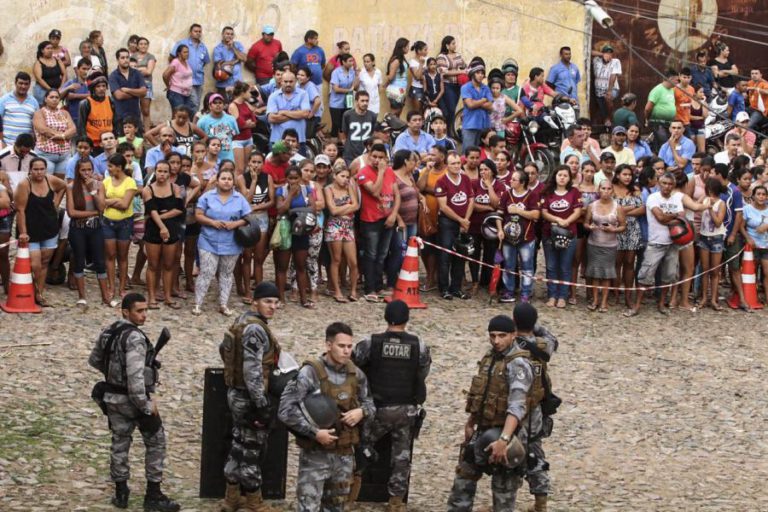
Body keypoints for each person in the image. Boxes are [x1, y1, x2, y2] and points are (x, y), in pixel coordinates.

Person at [446, 306, 557, 512]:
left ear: (513, 334)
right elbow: (482, 392)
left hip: (508, 435)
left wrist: (504, 440)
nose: (496, 341)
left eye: (502, 336)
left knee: (504, 491)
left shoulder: (519, 364)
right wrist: (471, 422)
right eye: (493, 336)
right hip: (483, 429)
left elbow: (517, 406)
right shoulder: (491, 358)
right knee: (463, 479)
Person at [88, 293, 180, 512]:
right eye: (139, 311)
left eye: (146, 310)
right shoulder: (135, 338)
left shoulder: (108, 332)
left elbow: (95, 360)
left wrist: (113, 377)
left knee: (119, 442)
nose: (144, 315)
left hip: (112, 397)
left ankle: (121, 493)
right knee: (156, 442)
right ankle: (153, 495)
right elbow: (136, 377)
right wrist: (146, 405)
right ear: (126, 312)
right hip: (133, 401)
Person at [278, 322, 375, 511]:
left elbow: (370, 404)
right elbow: (286, 410)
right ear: (328, 345)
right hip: (316, 455)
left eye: (349, 346)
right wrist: (314, 433)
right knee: (309, 506)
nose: (347, 351)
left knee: (336, 506)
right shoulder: (310, 373)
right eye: (341, 346)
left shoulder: (356, 374)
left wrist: (361, 412)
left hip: (344, 455)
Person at [352, 300, 431, 512]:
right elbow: (422, 372)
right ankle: (396, 501)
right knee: (402, 456)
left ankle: (351, 489)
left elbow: (354, 367)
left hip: (377, 408)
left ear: (386, 317)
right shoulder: (419, 344)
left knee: (360, 446)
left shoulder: (370, 342)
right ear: (407, 319)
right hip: (406, 409)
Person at [219, 281, 283, 512]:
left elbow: (223, 350)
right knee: (252, 450)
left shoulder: (240, 321)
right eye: (267, 301)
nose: (273, 306)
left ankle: (231, 497)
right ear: (255, 302)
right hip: (249, 397)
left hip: (236, 393)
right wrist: (260, 403)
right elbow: (252, 370)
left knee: (238, 444)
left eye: (276, 302)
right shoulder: (255, 329)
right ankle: (254, 501)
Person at [625, 172, 708, 316]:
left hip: (673, 243)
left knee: (669, 276)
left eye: (670, 184)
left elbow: (681, 218)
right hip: (656, 242)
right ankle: (637, 306)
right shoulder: (653, 198)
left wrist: (670, 217)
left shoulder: (676, 199)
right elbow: (660, 218)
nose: (667, 187)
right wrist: (673, 216)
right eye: (664, 183)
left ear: (674, 185)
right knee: (645, 275)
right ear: (659, 183)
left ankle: (661, 303)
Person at [193, 166, 249, 315]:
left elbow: (247, 217)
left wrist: (235, 224)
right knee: (206, 272)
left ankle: (223, 304)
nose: (226, 182)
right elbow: (198, 215)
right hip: (208, 240)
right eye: (223, 178)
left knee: (226, 273)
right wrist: (212, 222)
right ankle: (198, 304)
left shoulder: (240, 198)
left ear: (234, 182)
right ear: (217, 181)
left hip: (231, 242)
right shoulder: (207, 197)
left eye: (229, 179)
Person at [14, 157, 66, 307]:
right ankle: (29, 289)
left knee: (44, 263)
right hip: (31, 229)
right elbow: (20, 210)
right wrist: (23, 232)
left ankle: (39, 293)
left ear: (46, 169)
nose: (39, 172)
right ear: (30, 170)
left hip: (49, 227)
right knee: (34, 264)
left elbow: (64, 186)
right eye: (36, 169)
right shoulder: (25, 184)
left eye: (42, 169)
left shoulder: (51, 180)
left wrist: (56, 203)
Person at [357, 143, 400, 302]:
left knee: (382, 255)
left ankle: (378, 285)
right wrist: (381, 172)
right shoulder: (363, 173)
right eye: (374, 156)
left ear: (386, 158)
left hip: (387, 218)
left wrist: (393, 215)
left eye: (380, 157)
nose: (377, 160)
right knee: (371, 254)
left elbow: (397, 195)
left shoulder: (390, 171)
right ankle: (370, 288)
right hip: (370, 219)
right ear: (369, 156)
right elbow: (374, 191)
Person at [66, 158, 109, 306]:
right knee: (79, 260)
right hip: (78, 228)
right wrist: (93, 214)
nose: (86, 173)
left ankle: (105, 296)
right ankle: (82, 296)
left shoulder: (99, 185)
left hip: (95, 228)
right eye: (83, 170)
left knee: (100, 261)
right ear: (78, 171)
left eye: (89, 170)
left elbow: (102, 207)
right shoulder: (71, 187)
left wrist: (93, 190)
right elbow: (71, 212)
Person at [142, 161, 184, 309]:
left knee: (169, 264)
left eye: (165, 172)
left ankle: (167, 296)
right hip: (154, 229)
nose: (162, 174)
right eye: (160, 171)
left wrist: (162, 218)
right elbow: (151, 210)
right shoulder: (148, 190)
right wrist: (162, 225)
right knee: (153, 265)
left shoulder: (175, 188)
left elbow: (179, 209)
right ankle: (152, 297)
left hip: (171, 227)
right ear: (156, 172)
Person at [541, 165, 583, 308]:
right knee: (551, 266)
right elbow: (544, 212)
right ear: (555, 176)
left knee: (565, 266)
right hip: (549, 234)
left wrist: (567, 221)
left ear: (569, 178)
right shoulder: (547, 192)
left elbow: (578, 211)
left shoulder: (574, 192)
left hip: (569, 234)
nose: (562, 178)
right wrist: (557, 219)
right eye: (560, 175)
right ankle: (552, 295)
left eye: (565, 175)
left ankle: (563, 296)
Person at [435, 151, 475, 300]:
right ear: (447, 165)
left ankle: (456, 287)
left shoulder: (465, 179)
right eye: (453, 163)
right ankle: (444, 288)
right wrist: (460, 220)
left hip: (464, 221)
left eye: (458, 163)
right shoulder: (441, 181)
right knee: (445, 255)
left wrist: (466, 220)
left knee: (461, 255)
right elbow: (443, 206)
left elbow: (471, 199)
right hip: (447, 222)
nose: (457, 166)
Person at [498, 168, 540, 303]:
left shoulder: (532, 195)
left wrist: (518, 211)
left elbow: (536, 214)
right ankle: (508, 291)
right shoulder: (506, 194)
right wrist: (499, 229)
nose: (511, 181)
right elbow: (499, 214)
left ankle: (525, 293)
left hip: (526, 238)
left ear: (522, 182)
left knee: (527, 266)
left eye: (514, 180)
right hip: (508, 238)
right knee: (508, 265)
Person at [584, 179, 626, 312]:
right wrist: (590, 227)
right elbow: (585, 223)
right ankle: (596, 299)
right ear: (599, 190)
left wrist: (614, 229)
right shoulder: (592, 205)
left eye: (608, 189)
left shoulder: (617, 207)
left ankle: (604, 302)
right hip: (594, 243)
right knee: (595, 274)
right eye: (603, 188)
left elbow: (624, 226)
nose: (606, 191)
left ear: (612, 191)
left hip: (610, 245)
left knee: (607, 274)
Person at [101, 154, 137, 307]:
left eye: (111, 166)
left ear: (119, 167)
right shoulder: (106, 181)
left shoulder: (130, 182)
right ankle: (111, 286)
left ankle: (122, 286)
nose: (108, 169)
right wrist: (115, 201)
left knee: (122, 256)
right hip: (107, 221)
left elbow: (125, 204)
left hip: (124, 222)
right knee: (110, 255)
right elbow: (101, 203)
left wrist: (111, 202)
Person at [236, 150, 274, 292]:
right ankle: (246, 290)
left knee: (258, 257)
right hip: (247, 219)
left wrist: (257, 207)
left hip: (262, 217)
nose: (256, 165)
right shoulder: (241, 178)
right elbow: (246, 200)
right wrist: (253, 181)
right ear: (249, 163)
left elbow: (271, 201)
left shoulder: (267, 177)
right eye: (253, 162)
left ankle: (259, 290)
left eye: (259, 162)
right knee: (246, 256)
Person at [324, 164, 360, 302]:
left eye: (347, 177)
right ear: (334, 176)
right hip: (334, 227)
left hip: (348, 226)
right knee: (336, 259)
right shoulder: (328, 189)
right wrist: (347, 207)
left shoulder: (349, 188)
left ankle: (353, 290)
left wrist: (342, 209)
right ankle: (337, 290)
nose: (345, 179)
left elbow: (356, 206)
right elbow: (332, 211)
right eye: (342, 176)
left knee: (353, 261)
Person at [613, 165, 644, 309]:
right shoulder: (611, 188)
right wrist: (627, 209)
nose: (627, 177)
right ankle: (615, 294)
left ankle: (628, 295)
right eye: (624, 174)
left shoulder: (635, 190)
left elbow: (642, 209)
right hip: (616, 228)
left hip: (632, 228)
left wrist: (623, 213)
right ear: (618, 175)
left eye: (629, 175)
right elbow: (610, 208)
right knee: (617, 262)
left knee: (630, 262)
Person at [696, 178, 727, 310]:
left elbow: (718, 222)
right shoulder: (705, 199)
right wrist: (704, 199)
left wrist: (709, 210)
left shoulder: (721, 203)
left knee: (715, 271)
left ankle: (713, 299)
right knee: (705, 269)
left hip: (716, 238)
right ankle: (704, 297)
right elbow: (695, 206)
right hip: (704, 237)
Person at [33, 89, 76, 177]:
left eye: (57, 97)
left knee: (60, 185)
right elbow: (43, 130)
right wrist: (64, 135)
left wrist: (62, 136)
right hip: (46, 155)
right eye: (51, 97)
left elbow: (73, 129)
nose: (54, 99)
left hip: (64, 155)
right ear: (45, 99)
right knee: (45, 183)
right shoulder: (39, 113)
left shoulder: (65, 113)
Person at [171, 24, 211, 112]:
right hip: (185, 80)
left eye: (200, 32)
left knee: (196, 104)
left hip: (199, 80)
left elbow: (205, 61)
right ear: (190, 32)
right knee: (194, 103)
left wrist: (197, 68)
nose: (198, 33)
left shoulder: (202, 47)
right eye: (195, 31)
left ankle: (191, 124)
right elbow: (172, 57)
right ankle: (191, 123)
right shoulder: (182, 43)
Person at [266, 71, 310, 149]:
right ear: (281, 82)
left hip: (298, 141)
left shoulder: (303, 94)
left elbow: (305, 114)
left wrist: (284, 112)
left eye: (291, 81)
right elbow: (271, 118)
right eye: (285, 81)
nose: (288, 84)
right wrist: (296, 114)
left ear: (295, 81)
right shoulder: (273, 96)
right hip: (278, 141)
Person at [109, 48, 147, 131]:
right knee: (123, 143)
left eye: (127, 57)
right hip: (120, 117)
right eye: (122, 58)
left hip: (135, 116)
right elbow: (119, 96)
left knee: (138, 142)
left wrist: (128, 90)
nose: (125, 60)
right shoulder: (113, 76)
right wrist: (137, 93)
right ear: (117, 60)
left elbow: (144, 92)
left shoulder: (137, 73)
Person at [77, 72, 116, 152]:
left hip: (109, 143)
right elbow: (81, 127)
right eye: (98, 86)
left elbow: (115, 122)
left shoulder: (111, 101)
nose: (101, 89)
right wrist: (86, 145)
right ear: (93, 88)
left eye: (103, 86)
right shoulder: (85, 103)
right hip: (93, 145)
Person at [460, 59, 493, 149]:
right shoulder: (465, 87)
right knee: (468, 153)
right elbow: (470, 105)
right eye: (478, 73)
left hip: (484, 126)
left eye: (482, 73)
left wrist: (475, 102)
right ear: (473, 74)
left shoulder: (486, 88)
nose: (480, 75)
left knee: (483, 153)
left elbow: (490, 106)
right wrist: (483, 100)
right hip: (470, 125)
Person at [197, 93, 240, 163]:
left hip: (228, 158)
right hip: (210, 160)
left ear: (223, 105)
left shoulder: (231, 119)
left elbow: (235, 136)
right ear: (210, 106)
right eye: (215, 103)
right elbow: (198, 139)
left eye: (220, 103)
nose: (218, 105)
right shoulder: (202, 121)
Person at [436, 35, 466, 131]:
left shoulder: (458, 55)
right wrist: (460, 72)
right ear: (447, 45)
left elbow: (464, 66)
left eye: (455, 43)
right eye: (453, 43)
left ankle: (449, 131)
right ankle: (448, 131)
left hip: (457, 86)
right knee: (451, 109)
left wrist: (464, 70)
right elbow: (444, 72)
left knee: (452, 110)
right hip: (447, 85)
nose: (455, 45)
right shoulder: (441, 57)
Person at [743, 185, 768, 300]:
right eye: (758, 194)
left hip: (766, 246)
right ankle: (752, 297)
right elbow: (741, 226)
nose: (761, 197)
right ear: (753, 196)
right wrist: (748, 238)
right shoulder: (747, 209)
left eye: (763, 194)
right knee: (751, 273)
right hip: (751, 246)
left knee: (767, 273)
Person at [0, 72, 38, 147]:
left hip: (26, 147)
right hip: (7, 144)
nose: (23, 86)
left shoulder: (34, 102)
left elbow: (36, 125)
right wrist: (1, 141)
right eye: (20, 83)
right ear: (15, 83)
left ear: (29, 85)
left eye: (26, 84)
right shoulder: (4, 99)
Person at [644, 69, 678, 150]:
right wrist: (647, 119)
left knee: (668, 144)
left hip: (669, 124)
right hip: (658, 123)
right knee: (663, 143)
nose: (677, 82)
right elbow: (647, 108)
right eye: (677, 80)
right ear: (670, 79)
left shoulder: (671, 90)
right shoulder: (657, 90)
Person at [228, 82, 257, 175]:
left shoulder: (246, 103)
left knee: (245, 167)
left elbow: (254, 121)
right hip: (238, 140)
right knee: (239, 169)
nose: (250, 94)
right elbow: (238, 125)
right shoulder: (233, 105)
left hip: (248, 138)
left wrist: (246, 124)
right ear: (242, 93)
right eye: (248, 92)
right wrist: (246, 124)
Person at [340, 91, 377, 165]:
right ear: (356, 101)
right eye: (362, 101)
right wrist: (347, 145)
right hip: (350, 154)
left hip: (366, 153)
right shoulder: (348, 115)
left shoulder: (373, 116)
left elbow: (373, 133)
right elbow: (343, 133)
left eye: (367, 101)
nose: (365, 103)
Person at [329, 54, 358, 139]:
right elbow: (336, 89)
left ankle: (343, 143)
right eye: (350, 61)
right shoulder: (336, 72)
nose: (352, 63)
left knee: (345, 124)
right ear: (343, 62)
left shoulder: (352, 72)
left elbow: (355, 87)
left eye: (352, 61)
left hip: (347, 102)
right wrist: (349, 90)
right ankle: (333, 144)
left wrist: (357, 76)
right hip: (336, 103)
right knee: (336, 124)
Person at [592, 44, 621, 126]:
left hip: (612, 88)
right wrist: (602, 55)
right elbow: (589, 52)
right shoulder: (596, 60)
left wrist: (609, 90)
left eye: (610, 53)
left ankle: (609, 118)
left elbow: (613, 75)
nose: (609, 55)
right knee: (601, 107)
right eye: (607, 53)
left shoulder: (615, 61)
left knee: (608, 98)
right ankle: (606, 119)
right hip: (598, 89)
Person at [212, 26, 247, 95]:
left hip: (237, 83)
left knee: (236, 105)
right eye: (227, 34)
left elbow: (244, 59)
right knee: (225, 104)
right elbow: (219, 65)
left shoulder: (238, 45)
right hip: (223, 84)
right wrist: (235, 61)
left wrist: (233, 47)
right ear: (223, 35)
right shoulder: (218, 49)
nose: (229, 36)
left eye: (231, 34)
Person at [32, 41, 66, 106]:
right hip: (42, 91)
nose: (50, 50)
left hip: (58, 90)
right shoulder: (38, 63)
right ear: (42, 50)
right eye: (48, 48)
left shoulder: (57, 60)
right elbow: (39, 79)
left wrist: (61, 87)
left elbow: (64, 74)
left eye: (51, 48)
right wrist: (50, 90)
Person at [162, 44, 195, 113]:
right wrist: (168, 86)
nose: (187, 54)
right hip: (176, 93)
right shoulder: (176, 62)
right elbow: (165, 75)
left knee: (185, 114)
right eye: (185, 52)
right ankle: (171, 124)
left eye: (188, 52)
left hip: (186, 93)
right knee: (177, 115)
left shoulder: (185, 62)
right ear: (179, 54)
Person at [61, 57, 92, 127]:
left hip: (90, 119)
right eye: (84, 69)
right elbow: (58, 95)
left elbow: (94, 96)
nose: (86, 71)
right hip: (74, 118)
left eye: (88, 69)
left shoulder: (93, 83)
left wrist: (74, 96)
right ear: (78, 69)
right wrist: (68, 88)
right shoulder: (71, 82)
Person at [674, 67, 695, 138]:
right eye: (684, 77)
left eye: (688, 77)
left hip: (687, 121)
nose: (686, 80)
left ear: (691, 77)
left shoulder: (692, 89)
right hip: (677, 121)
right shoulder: (674, 89)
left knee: (688, 142)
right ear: (679, 76)